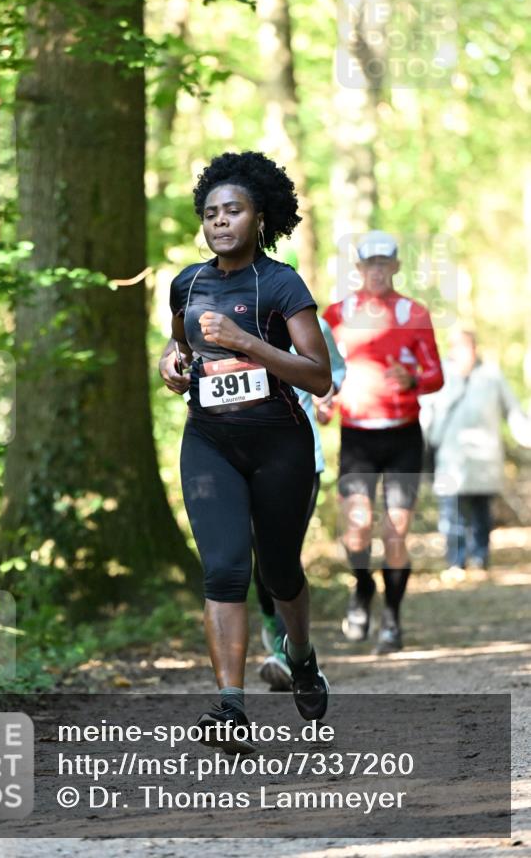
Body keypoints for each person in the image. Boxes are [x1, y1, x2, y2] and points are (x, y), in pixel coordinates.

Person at [159, 151, 332, 752]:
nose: (220, 222)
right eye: (211, 213)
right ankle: (230, 708)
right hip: (209, 442)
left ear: (259, 217)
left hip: (280, 445)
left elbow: (318, 375)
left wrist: (247, 343)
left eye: (233, 210)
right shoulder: (188, 282)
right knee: (225, 569)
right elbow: (179, 345)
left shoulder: (282, 283)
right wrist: (171, 365)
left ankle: (302, 657)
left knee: (279, 571)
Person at [321, 230, 444, 654]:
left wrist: (414, 379)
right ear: (358, 269)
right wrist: (323, 402)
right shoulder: (336, 315)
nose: (376, 271)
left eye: (383, 263)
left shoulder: (414, 312)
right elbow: (322, 371)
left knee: (396, 532)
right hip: (356, 436)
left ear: (394, 266)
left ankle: (391, 620)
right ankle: (361, 588)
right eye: (368, 264)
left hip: (404, 436)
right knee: (356, 531)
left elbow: (436, 376)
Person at [256, 315, 346, 691]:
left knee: (282, 554)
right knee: (255, 552)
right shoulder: (225, 313)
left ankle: (286, 649)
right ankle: (272, 624)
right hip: (240, 461)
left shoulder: (308, 321)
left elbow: (335, 370)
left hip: (302, 459)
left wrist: (326, 396)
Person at [422, 327, 531, 578]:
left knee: (482, 512)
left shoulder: (492, 376)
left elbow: (513, 412)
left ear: (475, 349)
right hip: (450, 459)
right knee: (451, 514)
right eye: (456, 347)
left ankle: (480, 557)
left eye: (466, 347)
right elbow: (426, 414)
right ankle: (456, 561)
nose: (462, 353)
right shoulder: (440, 375)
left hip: (485, 459)